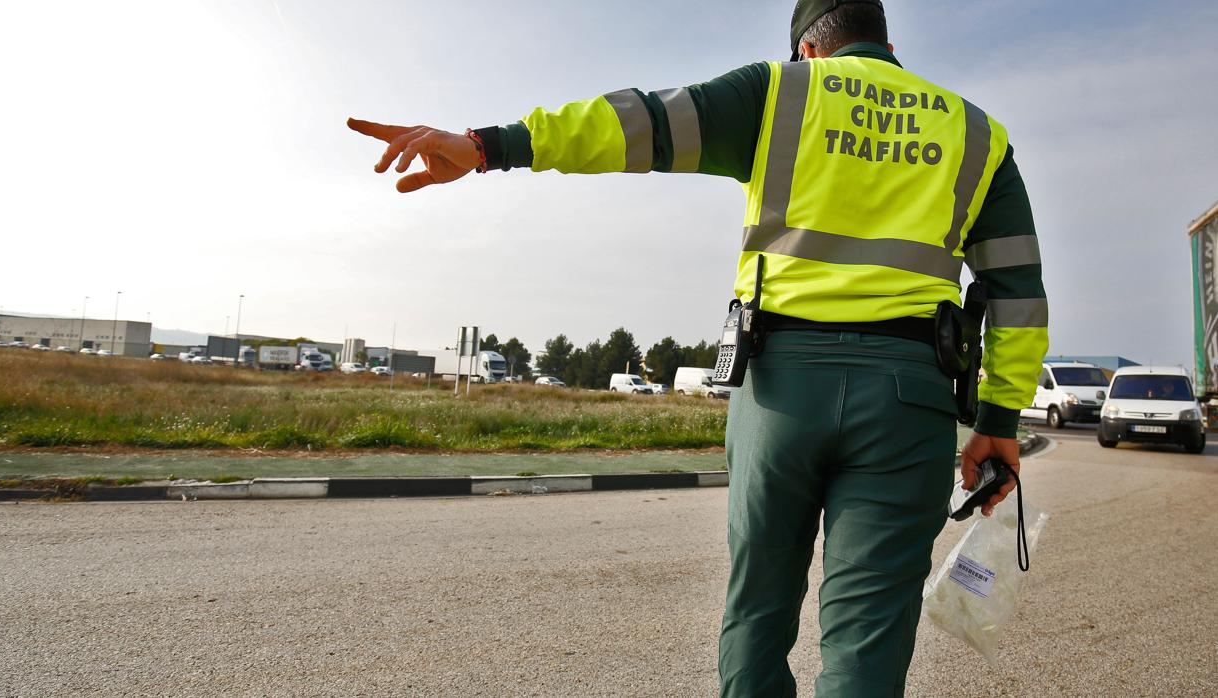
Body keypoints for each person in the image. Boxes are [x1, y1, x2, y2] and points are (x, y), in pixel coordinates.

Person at [348, 1, 1048, 694]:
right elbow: (1016, 291)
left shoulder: (779, 93)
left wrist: (487, 146)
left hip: (781, 388)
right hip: (909, 398)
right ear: (884, 40)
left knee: (757, 612)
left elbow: (636, 123)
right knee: (868, 638)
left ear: (808, 48)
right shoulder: (977, 134)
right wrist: (999, 422)